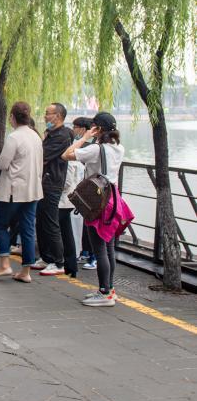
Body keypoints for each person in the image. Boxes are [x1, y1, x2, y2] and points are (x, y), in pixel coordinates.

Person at [62, 111, 125, 306]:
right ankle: (109, 288)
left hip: (97, 201)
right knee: (109, 247)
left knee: (99, 249)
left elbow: (66, 155)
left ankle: (105, 293)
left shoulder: (96, 149)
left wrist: (85, 137)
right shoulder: (119, 148)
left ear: (98, 128)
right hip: (113, 199)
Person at [0, 102, 43, 283]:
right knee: (27, 229)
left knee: (1, 225)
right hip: (33, 189)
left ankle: (4, 264)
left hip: (14, 189)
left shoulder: (14, 137)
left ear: (12, 117)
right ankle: (25, 271)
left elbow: (3, 164)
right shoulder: (36, 136)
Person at [29, 103, 74, 276]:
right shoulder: (52, 133)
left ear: (58, 115)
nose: (45, 116)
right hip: (43, 182)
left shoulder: (62, 136)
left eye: (48, 113)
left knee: (50, 222)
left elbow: (43, 156)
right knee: (41, 220)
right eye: (46, 113)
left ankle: (58, 261)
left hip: (52, 183)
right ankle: (46, 257)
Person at [57, 116, 90, 278]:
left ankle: (68, 260)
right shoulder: (80, 158)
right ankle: (74, 258)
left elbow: (66, 181)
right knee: (72, 230)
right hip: (76, 199)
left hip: (65, 199)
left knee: (66, 230)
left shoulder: (72, 159)